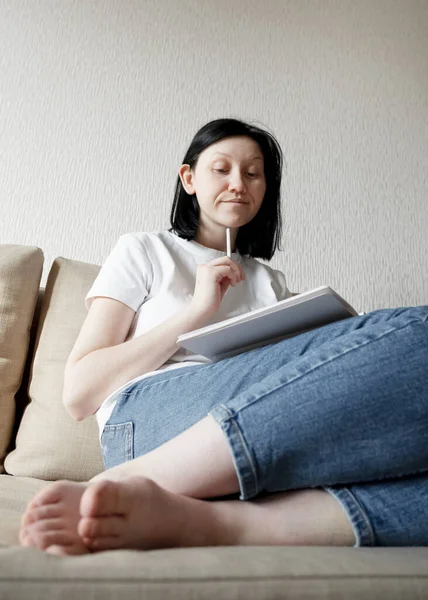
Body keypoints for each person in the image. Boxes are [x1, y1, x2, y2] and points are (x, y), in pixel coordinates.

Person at [19, 118, 428, 556]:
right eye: (222, 169)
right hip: (147, 422)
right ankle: (134, 478)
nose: (239, 183)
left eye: (253, 173)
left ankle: (221, 523)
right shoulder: (144, 250)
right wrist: (196, 313)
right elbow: (79, 394)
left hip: (270, 421)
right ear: (189, 178)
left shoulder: (270, 282)